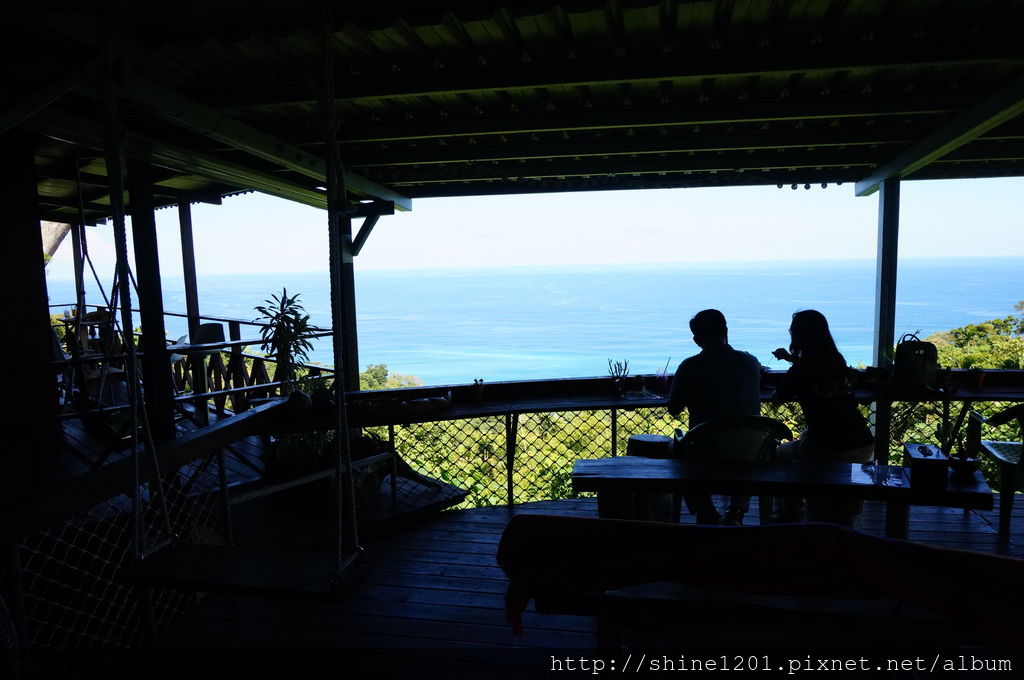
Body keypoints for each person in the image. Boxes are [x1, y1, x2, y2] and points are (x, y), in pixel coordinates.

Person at [772, 309, 874, 526]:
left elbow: (778, 398)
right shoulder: (837, 360)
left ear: (797, 336)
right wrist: (791, 360)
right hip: (863, 442)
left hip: (829, 447)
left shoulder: (800, 369)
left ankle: (789, 513)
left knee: (780, 454)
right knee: (805, 436)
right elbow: (818, 368)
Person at [667, 309, 762, 525]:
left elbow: (674, 409)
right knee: (739, 445)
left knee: (676, 449)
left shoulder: (689, 366)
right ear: (725, 331)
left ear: (697, 339)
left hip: (706, 453)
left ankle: (705, 510)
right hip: (750, 451)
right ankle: (737, 510)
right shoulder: (750, 362)